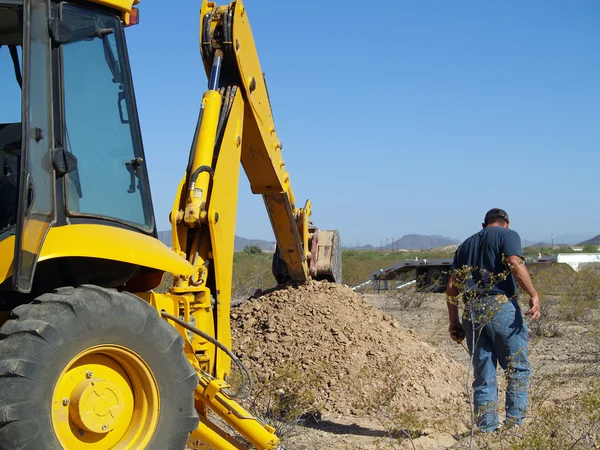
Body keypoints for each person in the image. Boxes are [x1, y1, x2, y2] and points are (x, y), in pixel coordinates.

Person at [446, 208, 541, 432]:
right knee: (517, 369)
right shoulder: (508, 235)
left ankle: (486, 431)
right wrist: (534, 295)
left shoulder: (466, 245)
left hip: (471, 311)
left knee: (483, 375)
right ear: (506, 223)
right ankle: (514, 429)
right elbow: (515, 263)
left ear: (484, 225)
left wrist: (454, 322)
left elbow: (452, 287)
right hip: (500, 307)